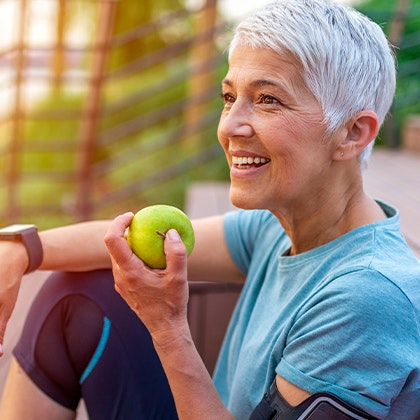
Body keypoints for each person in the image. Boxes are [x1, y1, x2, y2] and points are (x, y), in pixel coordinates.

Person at [0, 0, 419, 418]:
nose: (229, 126)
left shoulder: (367, 298)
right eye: (230, 96)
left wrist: (167, 328)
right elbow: (120, 241)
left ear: (352, 133)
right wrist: (20, 248)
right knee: (76, 294)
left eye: (268, 99)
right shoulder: (279, 228)